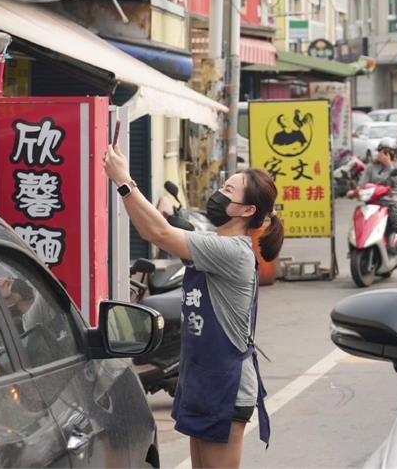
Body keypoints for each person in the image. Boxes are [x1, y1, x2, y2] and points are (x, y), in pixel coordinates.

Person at [103, 145, 283, 469]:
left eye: (229, 190)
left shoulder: (232, 251)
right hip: (202, 377)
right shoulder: (214, 244)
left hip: (224, 385)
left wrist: (125, 181)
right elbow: (153, 231)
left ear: (245, 211)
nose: (219, 193)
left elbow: (160, 232)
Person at [347, 136, 397, 245]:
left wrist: (389, 165)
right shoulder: (371, 167)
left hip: (392, 203)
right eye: (382, 152)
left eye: (388, 152)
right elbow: (362, 184)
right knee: (356, 224)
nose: (384, 155)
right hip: (373, 202)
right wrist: (355, 192)